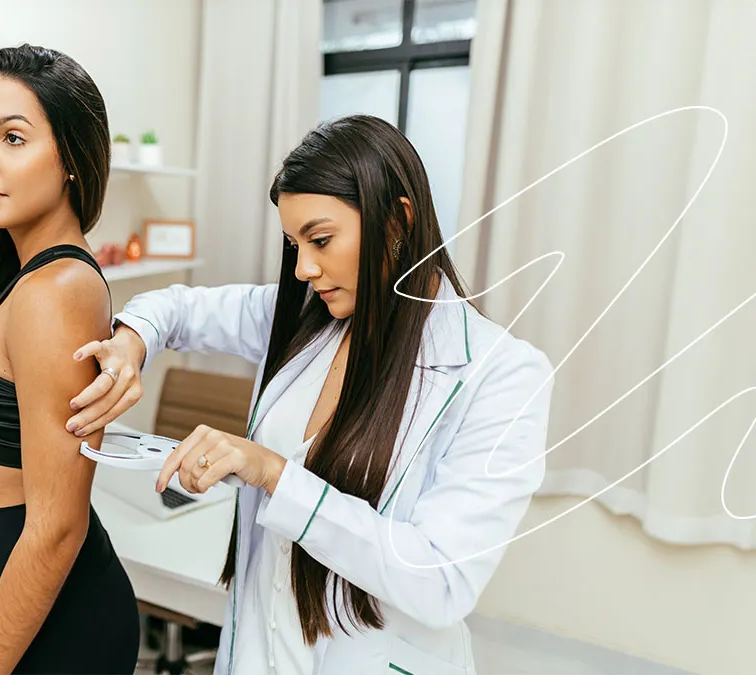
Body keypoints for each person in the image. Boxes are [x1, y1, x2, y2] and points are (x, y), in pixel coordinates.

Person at [65, 115, 555, 675]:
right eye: (294, 243)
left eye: (320, 240)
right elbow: (176, 308)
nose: (304, 268)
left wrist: (274, 473)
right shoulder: (311, 317)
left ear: (399, 220)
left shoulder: (501, 375)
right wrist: (131, 345)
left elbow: (441, 580)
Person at [0, 44, 139, 674]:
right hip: (13, 595)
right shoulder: (18, 277)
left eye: (12, 137)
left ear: (70, 156)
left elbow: (57, 526)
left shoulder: (55, 292)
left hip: (63, 631)